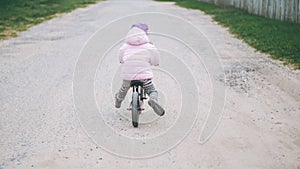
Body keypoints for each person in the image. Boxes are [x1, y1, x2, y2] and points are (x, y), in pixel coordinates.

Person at [115, 23, 165, 116]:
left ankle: (118, 100)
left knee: (123, 89)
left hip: (128, 77)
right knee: (151, 90)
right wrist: (155, 63)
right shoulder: (149, 46)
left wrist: (122, 61)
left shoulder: (125, 46)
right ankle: (153, 100)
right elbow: (156, 59)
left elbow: (121, 56)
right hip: (144, 76)